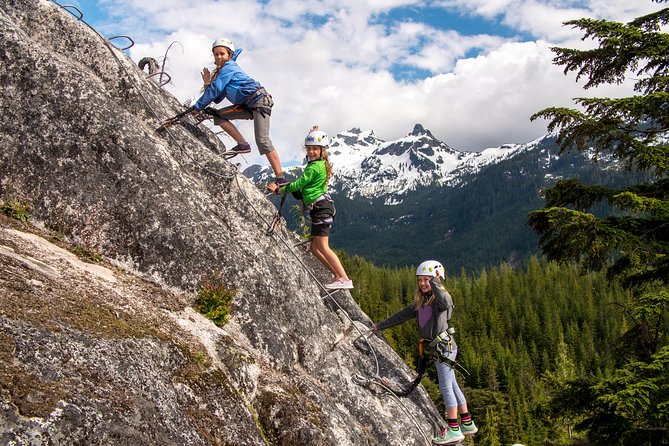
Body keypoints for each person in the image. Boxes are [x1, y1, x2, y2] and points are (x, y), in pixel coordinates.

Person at [371, 260, 477, 445]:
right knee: (452, 385)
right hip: (441, 349)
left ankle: (454, 429)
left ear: (436, 279)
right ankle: (467, 423)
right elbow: (401, 316)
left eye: (427, 280)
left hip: (444, 349)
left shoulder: (441, 300)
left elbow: (445, 302)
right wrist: (379, 326)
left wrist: (436, 282)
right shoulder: (422, 302)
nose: (422, 283)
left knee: (445, 387)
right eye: (420, 280)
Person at [267, 127, 353, 291]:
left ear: (322, 151)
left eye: (315, 149)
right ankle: (337, 276)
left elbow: (300, 183)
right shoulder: (320, 164)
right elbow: (305, 186)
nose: (311, 152)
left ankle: (344, 278)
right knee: (314, 248)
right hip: (320, 209)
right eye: (309, 149)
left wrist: (279, 190)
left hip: (321, 209)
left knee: (323, 247)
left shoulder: (314, 167)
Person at [192, 37, 287, 184]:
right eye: (216, 54)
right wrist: (207, 84)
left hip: (259, 102)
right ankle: (243, 144)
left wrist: (197, 107)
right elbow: (217, 96)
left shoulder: (229, 67)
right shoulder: (223, 72)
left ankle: (281, 178)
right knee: (218, 115)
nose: (218, 57)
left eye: (222, 54)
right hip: (248, 105)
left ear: (229, 55)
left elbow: (215, 90)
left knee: (262, 140)